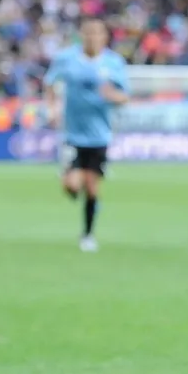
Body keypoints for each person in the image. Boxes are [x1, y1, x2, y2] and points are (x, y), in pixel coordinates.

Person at [44, 17, 129, 252]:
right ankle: (72, 180)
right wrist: (51, 109)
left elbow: (124, 96)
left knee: (91, 187)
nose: (92, 37)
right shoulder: (67, 59)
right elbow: (50, 84)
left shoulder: (113, 63)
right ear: (81, 35)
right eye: (88, 32)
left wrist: (113, 97)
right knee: (72, 186)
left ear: (104, 37)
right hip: (72, 132)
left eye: (97, 33)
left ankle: (88, 235)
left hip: (100, 135)